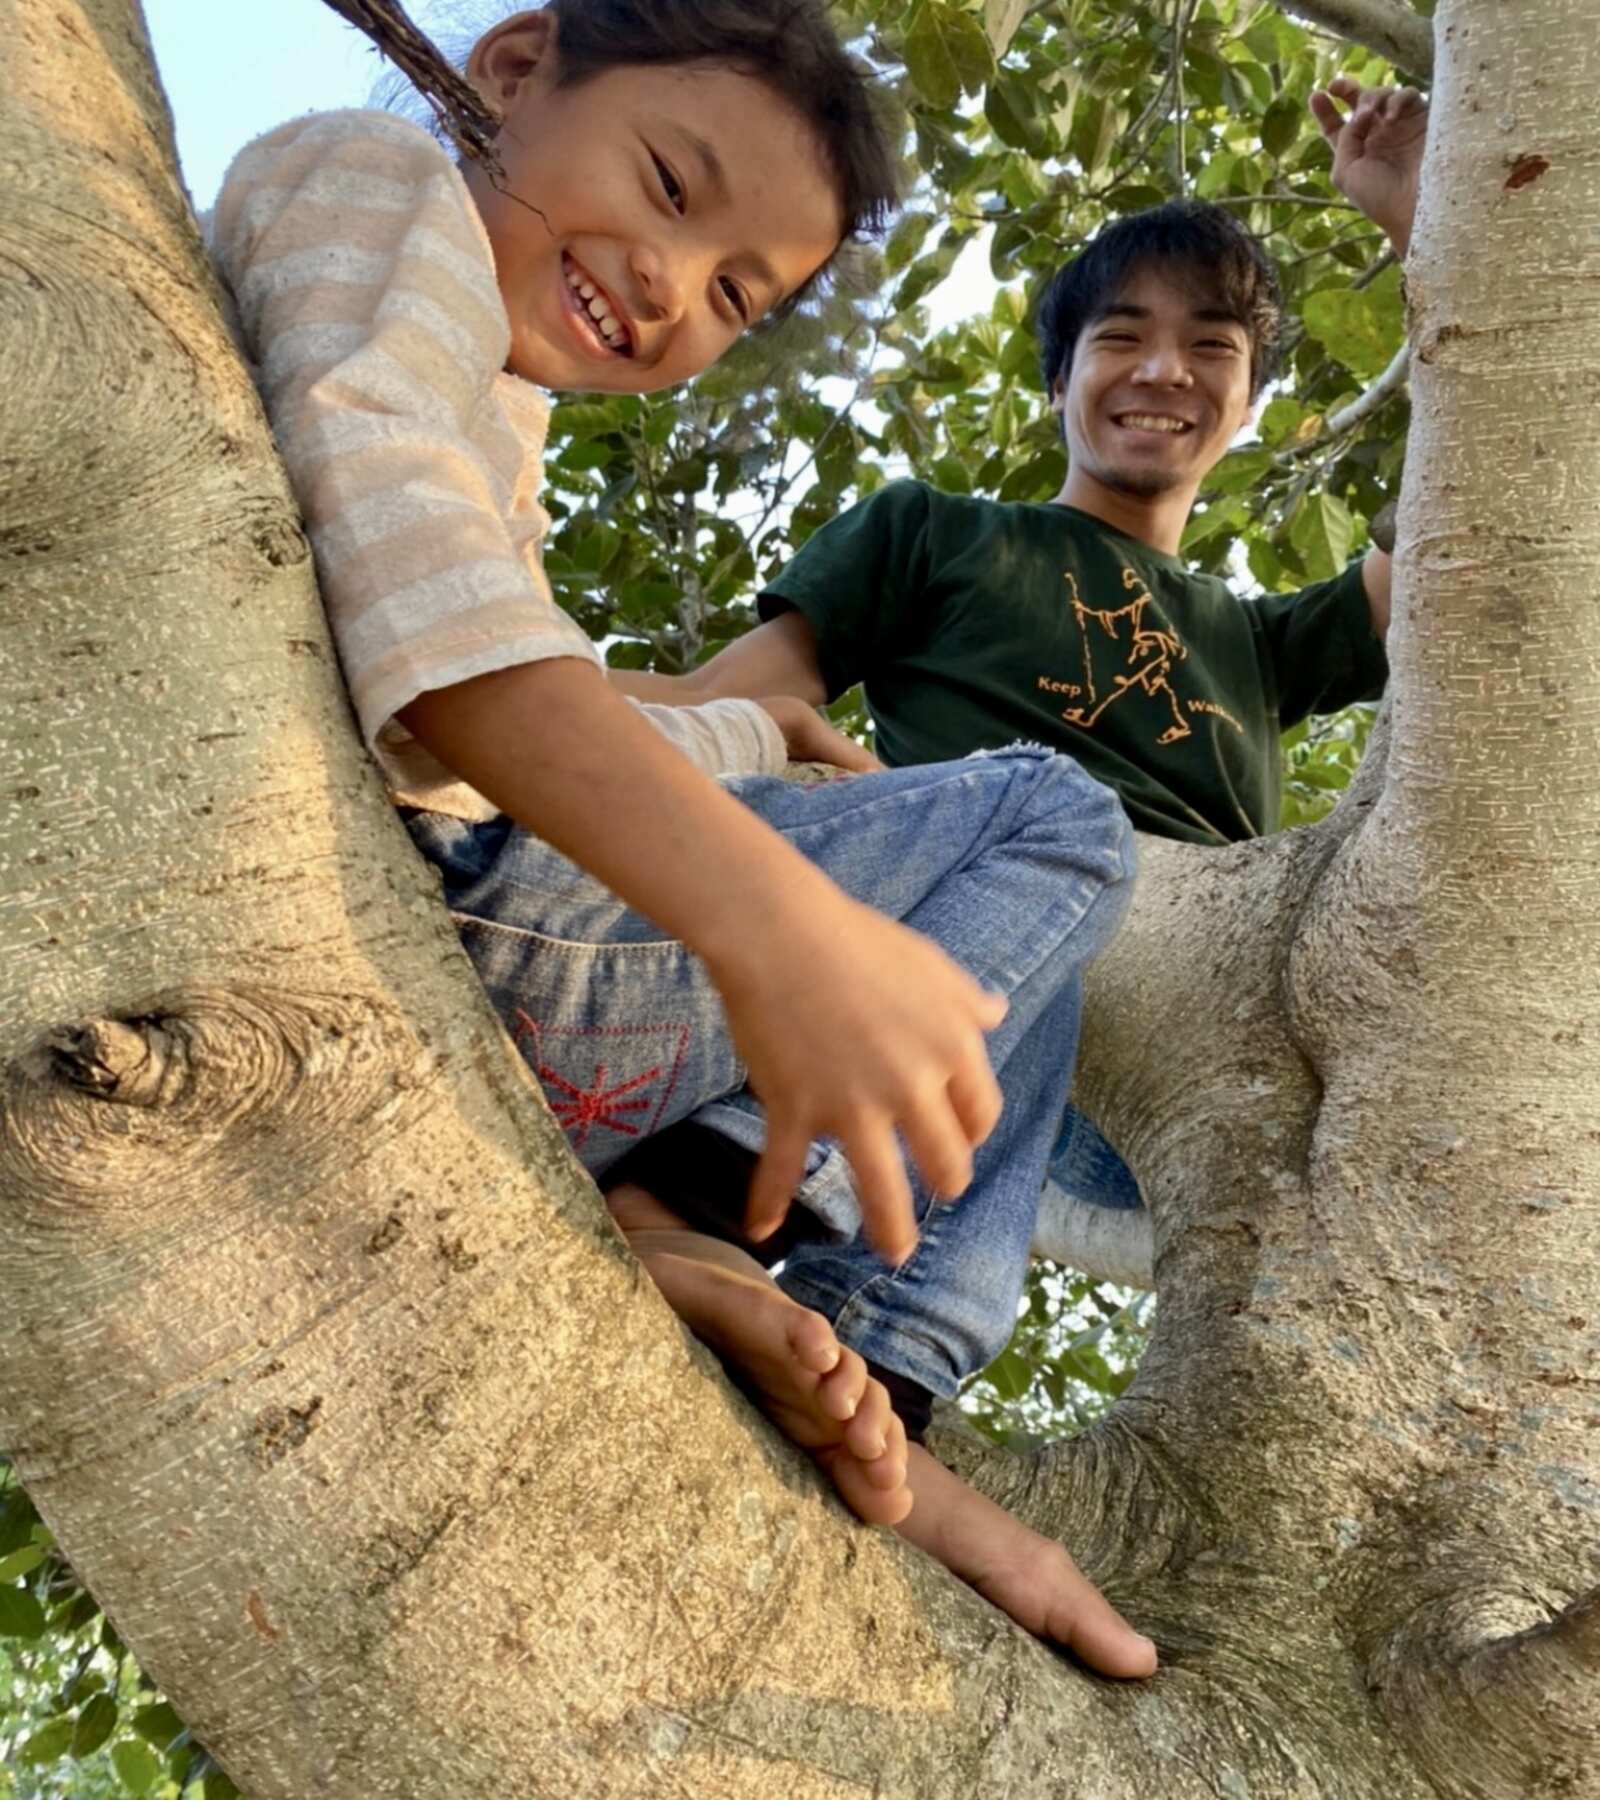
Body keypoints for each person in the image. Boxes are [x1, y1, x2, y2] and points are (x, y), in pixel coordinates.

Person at [208, 0, 1158, 1677]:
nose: (669, 283)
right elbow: (433, 623)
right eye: (666, 186)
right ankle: (730, 1239)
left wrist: (754, 736)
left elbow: (483, 663)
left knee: (978, 944)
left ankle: (853, 1362)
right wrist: (777, 924)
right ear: (512, 70)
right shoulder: (371, 178)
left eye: (733, 293)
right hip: (461, 933)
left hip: (481, 924)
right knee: (1049, 817)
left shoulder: (479, 381)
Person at [608, 69, 1428, 1540]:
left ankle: (872, 1320)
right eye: (1120, 336)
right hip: (944, 957)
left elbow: (1479, 515)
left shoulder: (1257, 638)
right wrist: (504, 706)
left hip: (1142, 1086)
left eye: (1212, 347)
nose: (1162, 370)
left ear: (1248, 402)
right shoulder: (938, 533)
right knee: (1061, 837)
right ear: (1061, 375)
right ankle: (819, 1286)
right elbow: (740, 694)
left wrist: (1428, 232)